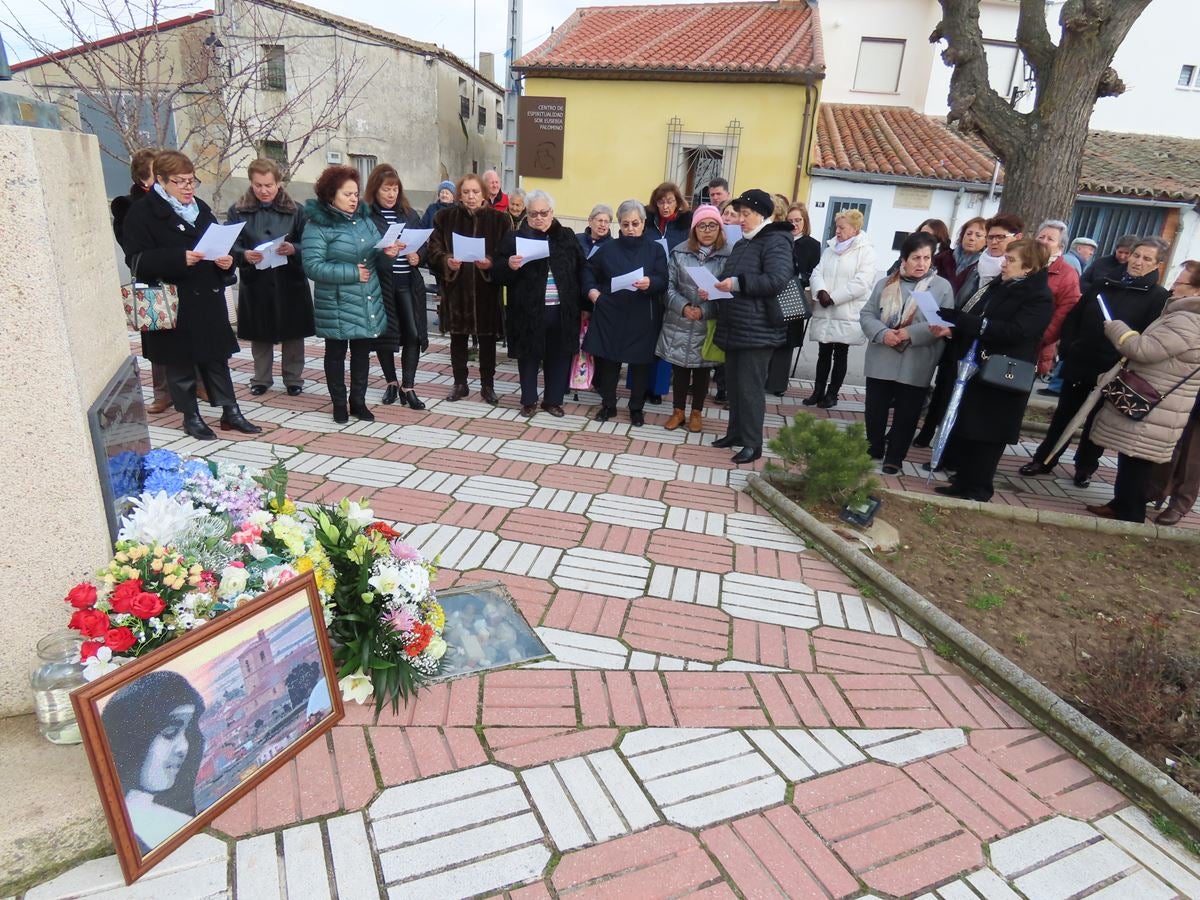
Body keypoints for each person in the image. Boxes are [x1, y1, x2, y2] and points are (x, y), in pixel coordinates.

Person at [121, 150, 259, 440]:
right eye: (180, 182)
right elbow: (136, 259)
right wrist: (177, 258)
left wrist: (227, 260)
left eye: (191, 181)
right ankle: (191, 417)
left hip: (207, 296)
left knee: (217, 358)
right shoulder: (143, 212)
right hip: (173, 299)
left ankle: (230, 412)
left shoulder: (200, 207)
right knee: (180, 363)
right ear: (160, 180)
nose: (188, 187)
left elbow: (218, 243)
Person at [1020, 238, 1170, 486]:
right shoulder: (1103, 283)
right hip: (1081, 360)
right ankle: (1044, 459)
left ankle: (1085, 467)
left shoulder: (1157, 297)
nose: (1138, 262)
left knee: (1096, 422)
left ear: (1158, 265)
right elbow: (1075, 317)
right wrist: (1069, 346)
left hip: (1114, 370)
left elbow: (1147, 337)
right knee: (1064, 415)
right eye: (1136, 256)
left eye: (1146, 259)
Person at [935, 238, 1054, 501]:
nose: (1004, 263)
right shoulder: (1000, 286)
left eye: (1011, 260)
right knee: (970, 427)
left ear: (1029, 267)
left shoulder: (1039, 297)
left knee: (990, 433)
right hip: (980, 366)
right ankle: (963, 482)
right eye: (1005, 258)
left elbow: (1017, 331)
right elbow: (978, 316)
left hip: (1005, 374)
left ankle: (979, 488)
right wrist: (953, 325)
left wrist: (968, 322)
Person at [1085, 271, 1200, 522]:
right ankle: (1120, 504)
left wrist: (1117, 329)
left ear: (1196, 291)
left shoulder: (1188, 320)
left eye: (1179, 283)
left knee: (1137, 462)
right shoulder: (1183, 315)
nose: (1172, 287)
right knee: (1130, 457)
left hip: (1157, 404)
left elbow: (1143, 350)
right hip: (1158, 401)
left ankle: (1131, 517)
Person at [302, 164, 402, 423]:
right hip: (335, 301)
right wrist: (351, 272)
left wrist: (388, 255)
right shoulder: (317, 225)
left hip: (366, 298)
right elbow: (312, 266)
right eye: (347, 194)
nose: (353, 199)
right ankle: (338, 403)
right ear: (331, 195)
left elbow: (375, 257)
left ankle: (358, 401)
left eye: (356, 194)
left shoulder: (365, 220)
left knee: (361, 353)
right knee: (335, 354)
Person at [915, 214, 1021, 450]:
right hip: (954, 331)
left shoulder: (1004, 274)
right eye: (969, 233)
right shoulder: (971, 264)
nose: (992, 242)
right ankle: (929, 431)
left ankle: (949, 443)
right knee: (942, 386)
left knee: (963, 395)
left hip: (978, 340)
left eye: (994, 237)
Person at [859, 232, 955, 474]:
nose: (922, 263)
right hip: (883, 355)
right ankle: (875, 446)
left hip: (916, 359)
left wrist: (910, 333)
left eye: (926, 258)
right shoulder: (886, 283)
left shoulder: (941, 287)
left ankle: (895, 457)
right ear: (903, 259)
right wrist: (883, 333)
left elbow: (942, 323)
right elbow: (867, 314)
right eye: (915, 258)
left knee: (907, 413)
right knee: (875, 410)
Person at [709, 189, 793, 463]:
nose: (740, 219)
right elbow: (728, 276)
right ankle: (735, 433)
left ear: (762, 215)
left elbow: (777, 279)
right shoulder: (744, 243)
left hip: (758, 329)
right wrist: (712, 288)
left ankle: (753, 444)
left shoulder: (775, 241)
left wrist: (737, 284)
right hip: (735, 325)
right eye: (739, 214)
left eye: (746, 214)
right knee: (734, 385)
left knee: (750, 388)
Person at [492, 189, 585, 417]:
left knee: (560, 355)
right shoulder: (515, 238)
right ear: (527, 214)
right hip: (527, 311)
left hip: (563, 310)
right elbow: (495, 271)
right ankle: (529, 401)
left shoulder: (567, 236)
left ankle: (552, 401)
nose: (539, 218)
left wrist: (583, 306)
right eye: (533, 214)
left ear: (552, 212)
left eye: (544, 213)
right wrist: (509, 266)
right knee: (529, 356)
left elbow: (582, 269)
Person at [226, 158, 314, 399]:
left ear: (279, 183)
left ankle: (293, 378)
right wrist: (244, 254)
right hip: (257, 281)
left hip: (289, 280)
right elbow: (230, 243)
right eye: (258, 185)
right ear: (251, 184)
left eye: (268, 185)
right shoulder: (238, 210)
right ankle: (261, 378)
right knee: (260, 333)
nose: (264, 191)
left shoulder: (296, 210)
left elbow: (311, 242)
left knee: (293, 333)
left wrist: (293, 249)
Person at [427, 172, 513, 402]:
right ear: (459, 195)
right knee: (458, 338)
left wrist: (491, 263)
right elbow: (433, 250)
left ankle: (487, 384)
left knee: (487, 340)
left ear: (484, 194)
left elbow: (507, 255)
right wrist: (447, 261)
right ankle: (460, 383)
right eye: (466, 192)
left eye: (475, 192)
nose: (471, 197)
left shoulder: (500, 221)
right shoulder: (444, 218)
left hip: (486, 290)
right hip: (457, 291)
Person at [582, 199, 668, 426]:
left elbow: (664, 279)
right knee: (609, 362)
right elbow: (588, 272)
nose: (630, 229)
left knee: (640, 365)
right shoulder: (607, 249)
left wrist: (651, 281)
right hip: (612, 312)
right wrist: (592, 292)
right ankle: (608, 405)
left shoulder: (655, 249)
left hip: (643, 314)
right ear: (619, 225)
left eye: (635, 223)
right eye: (626, 224)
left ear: (643, 224)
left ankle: (636, 408)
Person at [102, 671, 205, 853]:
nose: (183, 747)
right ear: (135, 738)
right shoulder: (133, 828)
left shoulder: (174, 818)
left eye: (187, 732)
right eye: (170, 731)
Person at [112, 148, 177, 414]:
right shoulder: (129, 207)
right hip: (151, 281)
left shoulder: (176, 200)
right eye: (158, 173)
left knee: (189, 330)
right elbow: (131, 247)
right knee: (158, 337)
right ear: (145, 179)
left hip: (179, 274)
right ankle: (162, 392)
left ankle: (195, 382)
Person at [658, 204, 730, 432]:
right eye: (702, 225)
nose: (707, 230)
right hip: (680, 319)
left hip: (707, 323)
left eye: (712, 225)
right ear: (694, 229)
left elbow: (730, 294)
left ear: (719, 229)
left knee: (701, 370)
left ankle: (696, 413)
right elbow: (667, 286)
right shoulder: (679, 252)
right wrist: (683, 306)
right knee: (679, 368)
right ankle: (678, 412)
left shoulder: (728, 256)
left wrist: (704, 310)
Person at [364, 164, 428, 409]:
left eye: (394, 189)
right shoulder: (367, 215)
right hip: (381, 285)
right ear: (375, 190)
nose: (391, 194)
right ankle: (391, 382)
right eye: (385, 189)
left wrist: (418, 256)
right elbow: (363, 249)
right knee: (385, 336)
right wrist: (383, 253)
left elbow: (424, 243)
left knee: (413, 333)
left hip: (408, 283)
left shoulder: (409, 214)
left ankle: (408, 386)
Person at [805, 208, 877, 408]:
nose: (837, 231)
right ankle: (817, 392)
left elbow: (862, 282)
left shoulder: (866, 251)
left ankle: (832, 394)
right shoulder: (830, 249)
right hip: (825, 308)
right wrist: (820, 291)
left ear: (854, 229)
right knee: (823, 352)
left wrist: (834, 298)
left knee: (840, 353)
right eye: (836, 226)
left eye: (842, 227)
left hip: (846, 311)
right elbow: (817, 272)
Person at [1149, 262, 1200, 526]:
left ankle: (1180, 504)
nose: (1174, 286)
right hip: (1180, 390)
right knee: (1169, 445)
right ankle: (1156, 489)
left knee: (1193, 455)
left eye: (1180, 282)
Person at [765, 202, 821, 396]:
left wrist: (801, 276)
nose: (795, 224)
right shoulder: (778, 240)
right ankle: (764, 378)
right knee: (770, 337)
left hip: (794, 294)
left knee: (787, 341)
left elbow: (814, 270)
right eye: (791, 220)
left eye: (798, 220)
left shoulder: (812, 244)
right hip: (773, 293)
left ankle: (778, 383)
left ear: (805, 222)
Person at [1032, 219, 1083, 376]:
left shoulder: (1067, 273)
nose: (1044, 242)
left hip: (1037, 345)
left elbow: (1066, 310)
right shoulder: (1024, 264)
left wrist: (1041, 337)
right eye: (1041, 237)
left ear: (1060, 247)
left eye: (1050, 239)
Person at [932, 217, 985, 298]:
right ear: (962, 235)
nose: (971, 238)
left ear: (986, 240)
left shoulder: (983, 266)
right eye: (969, 233)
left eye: (978, 235)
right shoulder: (942, 257)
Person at [646, 182, 693, 251]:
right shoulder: (648, 221)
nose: (665, 207)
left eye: (669, 202)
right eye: (661, 202)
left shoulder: (686, 224)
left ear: (677, 202)